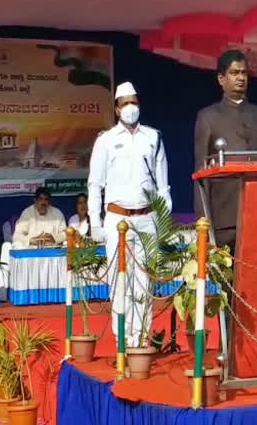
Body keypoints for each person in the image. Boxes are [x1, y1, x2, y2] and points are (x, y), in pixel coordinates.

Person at [88, 81, 172, 347]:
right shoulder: (105, 141)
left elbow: (163, 186)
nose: (131, 107)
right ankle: (123, 341)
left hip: (147, 218)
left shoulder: (154, 137)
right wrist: (95, 222)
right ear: (116, 109)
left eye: (134, 102)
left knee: (145, 282)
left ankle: (142, 339)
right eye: (125, 103)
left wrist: (163, 219)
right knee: (119, 280)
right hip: (117, 219)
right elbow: (95, 184)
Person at [194, 50, 257, 247]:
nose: (240, 78)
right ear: (221, 78)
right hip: (223, 218)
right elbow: (200, 174)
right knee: (226, 277)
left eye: (244, 73)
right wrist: (203, 222)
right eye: (234, 73)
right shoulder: (208, 116)